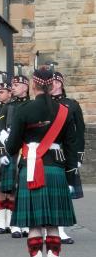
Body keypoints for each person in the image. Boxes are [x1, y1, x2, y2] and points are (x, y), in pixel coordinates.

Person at [1, 66, 77, 257]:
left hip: (32, 169)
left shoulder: (24, 110)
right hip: (56, 170)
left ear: (34, 85)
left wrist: (6, 140)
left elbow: (13, 146)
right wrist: (70, 177)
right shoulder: (65, 110)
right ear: (52, 84)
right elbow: (72, 145)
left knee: (35, 224)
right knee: (52, 225)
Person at [49, 66, 85, 244]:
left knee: (63, 193)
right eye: (51, 82)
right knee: (49, 192)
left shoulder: (72, 104)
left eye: (56, 82)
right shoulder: (43, 103)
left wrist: (78, 157)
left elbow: (80, 132)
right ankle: (47, 228)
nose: (53, 85)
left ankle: (60, 230)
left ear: (62, 84)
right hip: (48, 153)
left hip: (66, 152)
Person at [6, 64, 31, 238]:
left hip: (29, 149)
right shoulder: (8, 106)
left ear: (26, 86)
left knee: (27, 187)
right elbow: (0, 128)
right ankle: (15, 224)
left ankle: (26, 222)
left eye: (16, 85)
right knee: (13, 187)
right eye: (12, 85)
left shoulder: (32, 105)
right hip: (13, 149)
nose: (13, 88)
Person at [0, 73, 15, 234]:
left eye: (2, 92)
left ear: (9, 93)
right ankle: (1, 222)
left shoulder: (15, 108)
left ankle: (11, 221)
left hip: (12, 152)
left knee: (12, 187)